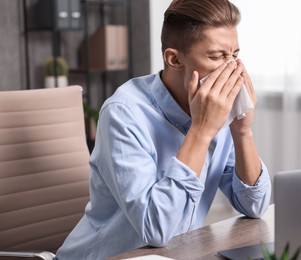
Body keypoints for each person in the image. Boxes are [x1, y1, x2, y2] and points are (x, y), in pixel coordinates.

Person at [56, 0, 271, 259]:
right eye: (216, 57)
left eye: (234, 55)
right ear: (174, 59)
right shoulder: (123, 113)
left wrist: (242, 131)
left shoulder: (217, 110)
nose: (232, 69)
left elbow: (254, 205)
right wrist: (201, 131)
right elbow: (156, 230)